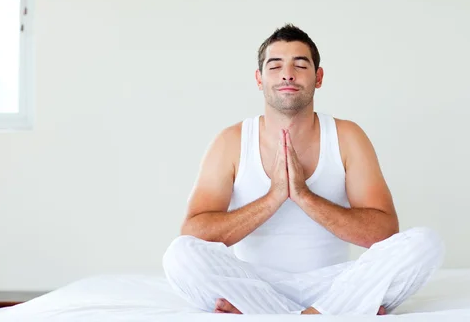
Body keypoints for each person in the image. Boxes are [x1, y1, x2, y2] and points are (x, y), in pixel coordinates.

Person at [162, 24, 444, 315]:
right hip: (255, 284)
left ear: (318, 77)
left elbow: (384, 232)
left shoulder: (347, 136)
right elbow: (194, 233)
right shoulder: (231, 141)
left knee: (425, 243)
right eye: (275, 66)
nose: (287, 74)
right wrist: (273, 197)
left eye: (300, 64)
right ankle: (327, 315)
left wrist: (303, 195)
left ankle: (274, 315)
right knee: (180, 256)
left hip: (335, 284)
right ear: (259, 79)